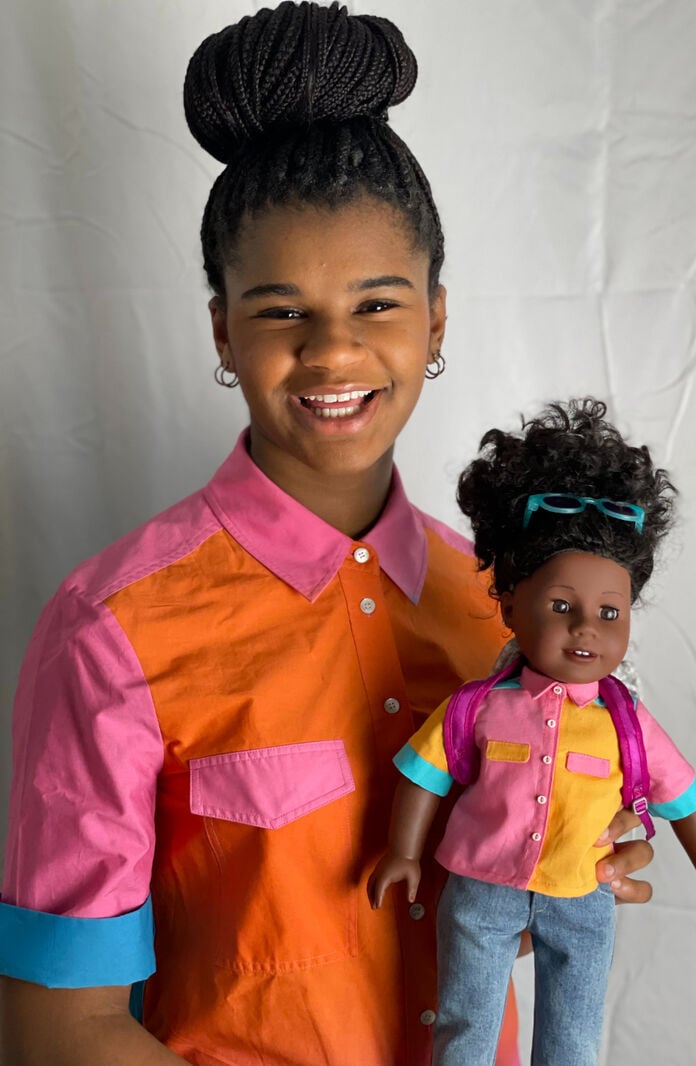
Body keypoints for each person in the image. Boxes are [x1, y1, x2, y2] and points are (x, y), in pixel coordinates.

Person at [0, 7, 656, 1065]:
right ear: (222, 330)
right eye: (279, 312)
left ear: (435, 319)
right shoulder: (109, 633)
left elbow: (467, 916)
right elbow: (58, 1026)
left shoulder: (500, 603)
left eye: (377, 304)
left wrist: (561, 856)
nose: (332, 352)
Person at [368, 398, 696, 1066]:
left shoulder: (628, 724)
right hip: (481, 890)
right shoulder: (477, 707)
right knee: (466, 1024)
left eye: (610, 612)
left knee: (574, 1035)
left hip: (582, 895)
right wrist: (403, 853)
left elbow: (686, 796)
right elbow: (423, 776)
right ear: (510, 606)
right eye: (560, 606)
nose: (586, 628)